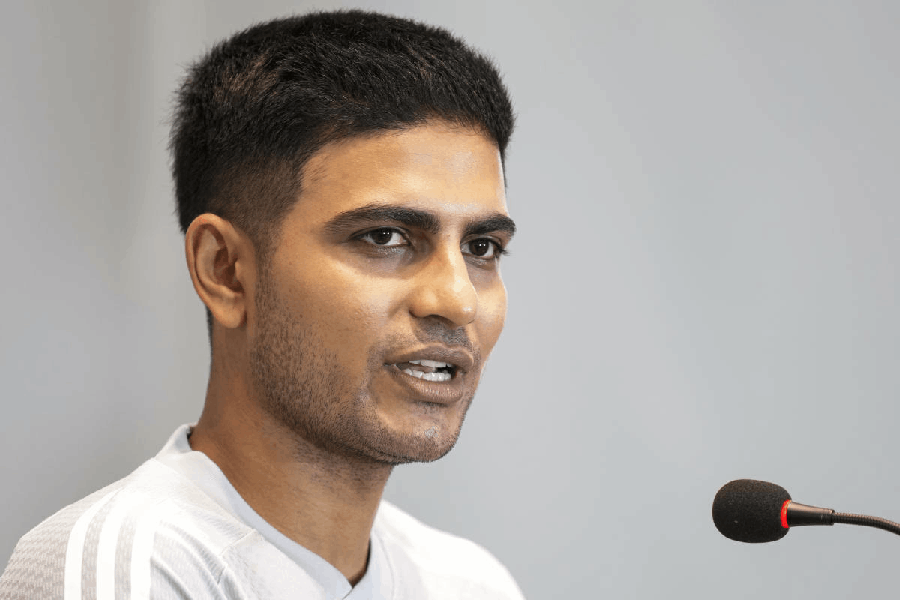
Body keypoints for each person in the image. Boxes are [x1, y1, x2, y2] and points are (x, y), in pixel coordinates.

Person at [0, 9, 523, 600]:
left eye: (482, 247)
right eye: (384, 237)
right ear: (223, 270)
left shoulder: (471, 583)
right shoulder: (130, 565)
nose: (457, 299)